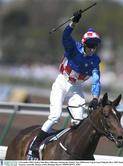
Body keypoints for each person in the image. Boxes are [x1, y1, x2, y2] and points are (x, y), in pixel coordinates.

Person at [29, 11, 101, 159]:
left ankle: (73, 151)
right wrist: (73, 23)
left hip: (76, 88)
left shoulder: (95, 60)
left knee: (79, 121)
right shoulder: (73, 48)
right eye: (90, 45)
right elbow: (65, 36)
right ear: (84, 43)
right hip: (61, 83)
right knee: (55, 116)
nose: (93, 49)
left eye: (95, 46)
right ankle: (35, 145)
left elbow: (96, 79)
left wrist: (95, 97)